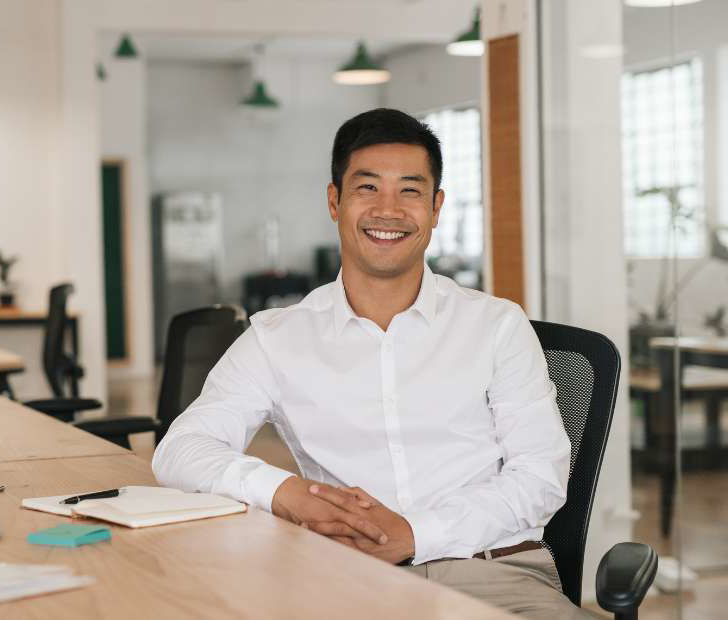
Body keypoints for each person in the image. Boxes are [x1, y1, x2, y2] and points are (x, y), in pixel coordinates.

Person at [152, 108, 584, 619]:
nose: (389, 210)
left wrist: (413, 534)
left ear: (435, 207)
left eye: (410, 190)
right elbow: (179, 451)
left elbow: (540, 477)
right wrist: (285, 492)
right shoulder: (277, 337)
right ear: (335, 201)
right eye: (367, 188)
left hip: (489, 571)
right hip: (344, 578)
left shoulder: (497, 326)